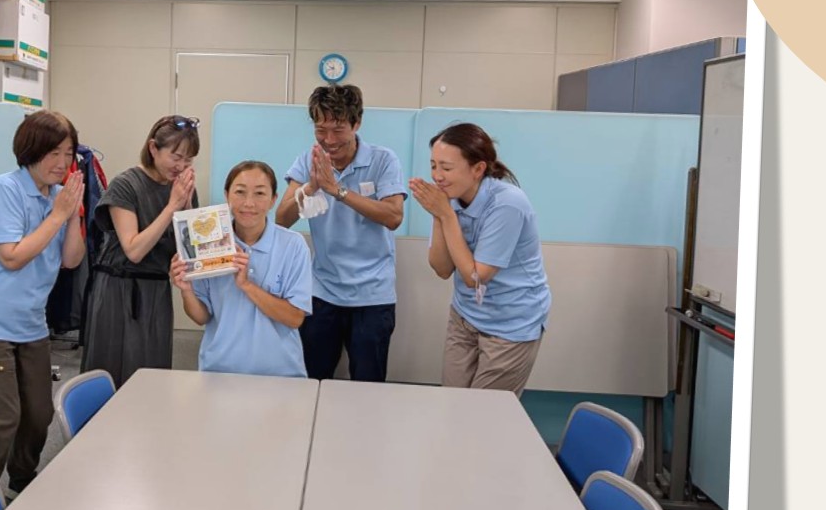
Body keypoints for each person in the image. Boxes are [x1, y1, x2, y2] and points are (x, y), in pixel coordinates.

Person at [0, 110, 86, 498]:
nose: (62, 162)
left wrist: (72, 215)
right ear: (30, 151)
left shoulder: (58, 197)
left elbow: (71, 259)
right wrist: (58, 215)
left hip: (29, 321)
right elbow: (11, 256)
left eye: (68, 153)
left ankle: (20, 485)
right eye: (53, 153)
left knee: (38, 414)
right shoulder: (4, 190)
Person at [274, 84, 407, 382]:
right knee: (311, 381)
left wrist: (337, 191)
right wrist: (312, 187)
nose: (329, 140)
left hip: (373, 295)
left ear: (356, 123)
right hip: (322, 291)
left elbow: (393, 216)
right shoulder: (309, 160)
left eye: (338, 130)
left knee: (367, 386)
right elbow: (282, 218)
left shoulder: (383, 160)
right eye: (321, 130)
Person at [408, 122, 551, 397]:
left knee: (485, 412)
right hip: (465, 316)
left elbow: (475, 278)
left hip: (510, 325)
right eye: (433, 166)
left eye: (446, 168)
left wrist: (446, 214)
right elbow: (441, 269)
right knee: (453, 403)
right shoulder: (450, 198)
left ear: (478, 169)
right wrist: (439, 214)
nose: (437, 176)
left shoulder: (507, 204)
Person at [80, 115, 201, 388]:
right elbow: (134, 250)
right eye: (176, 157)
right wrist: (172, 207)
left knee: (152, 373)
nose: (181, 166)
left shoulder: (181, 189)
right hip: (118, 289)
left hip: (156, 290)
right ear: (153, 148)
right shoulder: (125, 184)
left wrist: (187, 207)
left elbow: (189, 250)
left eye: (189, 160)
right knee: (112, 371)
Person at [172, 161, 313, 378]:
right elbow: (201, 317)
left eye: (260, 193)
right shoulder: (206, 244)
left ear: (273, 199)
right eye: (240, 192)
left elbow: (295, 318)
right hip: (219, 372)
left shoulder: (293, 245)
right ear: (227, 195)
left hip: (281, 375)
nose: (249, 203)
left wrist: (246, 285)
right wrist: (186, 290)